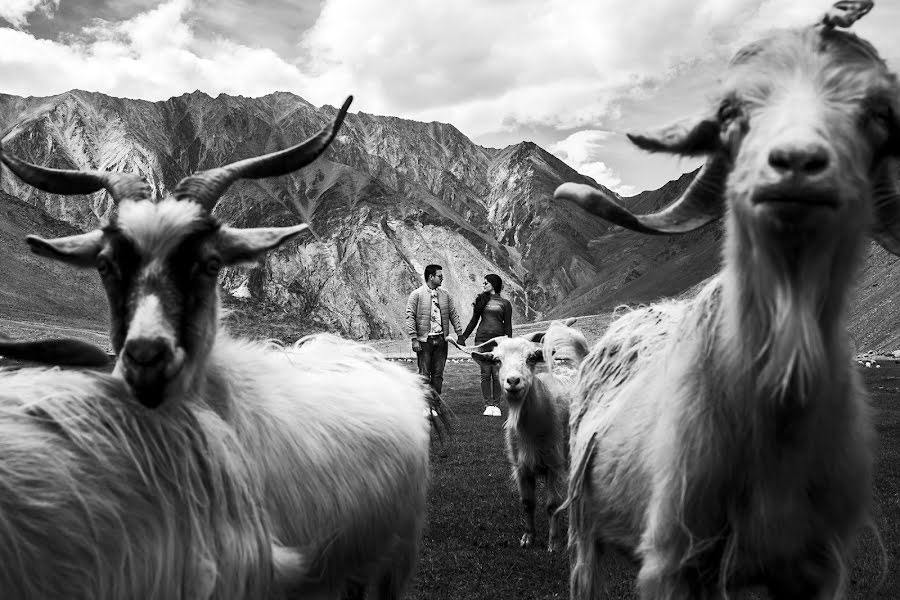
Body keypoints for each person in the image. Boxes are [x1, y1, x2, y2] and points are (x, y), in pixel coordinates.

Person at [459, 273, 512, 417]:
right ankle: (488, 405)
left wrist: (509, 344)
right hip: (482, 340)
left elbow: (508, 326)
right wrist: (463, 337)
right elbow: (473, 322)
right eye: (483, 283)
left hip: (499, 342)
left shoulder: (505, 303)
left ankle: (497, 405)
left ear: (494, 284)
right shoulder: (481, 301)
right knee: (485, 373)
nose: (483, 285)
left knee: (497, 374)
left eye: (486, 282)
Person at [405, 264, 463, 396]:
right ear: (431, 277)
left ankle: (435, 404)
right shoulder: (416, 295)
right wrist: (414, 339)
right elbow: (410, 317)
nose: (442, 279)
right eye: (439, 276)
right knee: (424, 375)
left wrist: (460, 334)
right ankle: (425, 405)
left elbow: (453, 314)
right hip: (424, 341)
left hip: (442, 340)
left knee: (438, 375)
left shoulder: (445, 294)